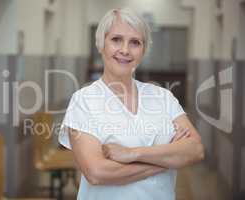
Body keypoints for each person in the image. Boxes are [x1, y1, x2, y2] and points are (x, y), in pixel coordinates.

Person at [58, 7, 204, 200]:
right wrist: (168, 159)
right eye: (116, 39)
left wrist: (131, 154)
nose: (125, 50)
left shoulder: (163, 98)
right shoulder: (84, 100)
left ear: (143, 50)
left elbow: (195, 149)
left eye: (135, 42)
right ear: (101, 45)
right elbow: (97, 172)